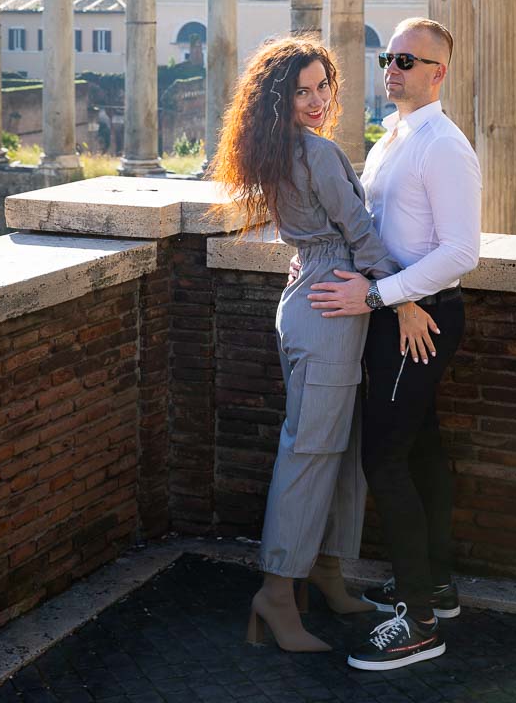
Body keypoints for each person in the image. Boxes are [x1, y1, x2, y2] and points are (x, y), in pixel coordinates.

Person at [208, 34, 397, 654]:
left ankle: (328, 572)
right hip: (331, 302)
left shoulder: (278, 150)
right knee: (314, 450)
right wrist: (403, 293)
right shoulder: (314, 152)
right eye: (301, 91)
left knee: (339, 445)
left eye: (323, 87)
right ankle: (278, 593)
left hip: (314, 296)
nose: (316, 101)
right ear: (278, 100)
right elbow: (360, 232)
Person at [306, 17, 481, 672]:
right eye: (389, 56)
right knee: (423, 449)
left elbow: (462, 251)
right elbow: (378, 230)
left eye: (409, 60)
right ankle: (435, 583)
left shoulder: (444, 145)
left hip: (425, 321)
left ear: (439, 73)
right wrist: (393, 298)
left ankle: (419, 623)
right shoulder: (395, 137)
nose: (394, 68)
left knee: (386, 457)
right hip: (405, 312)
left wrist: (386, 298)